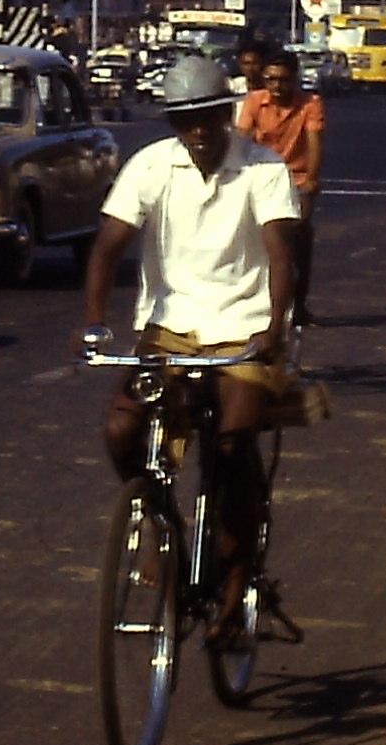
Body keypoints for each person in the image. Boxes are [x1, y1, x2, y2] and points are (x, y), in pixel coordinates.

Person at [84, 53, 303, 641]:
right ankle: (161, 527)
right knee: (122, 429)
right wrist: (95, 323)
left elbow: (283, 255)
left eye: (208, 118)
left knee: (231, 449)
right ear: (173, 123)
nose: (199, 132)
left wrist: (273, 329)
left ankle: (236, 577)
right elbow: (107, 247)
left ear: (226, 114)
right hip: (170, 328)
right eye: (186, 121)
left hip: (242, 327)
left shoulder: (263, 169)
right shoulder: (150, 166)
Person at [236, 48, 326, 325]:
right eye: (271, 79)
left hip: (295, 179)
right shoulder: (254, 101)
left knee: (299, 241)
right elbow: (242, 139)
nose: (276, 86)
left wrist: (311, 180)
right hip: (260, 177)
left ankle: (298, 304)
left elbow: (314, 144)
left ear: (294, 79)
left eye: (283, 80)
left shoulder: (310, 103)